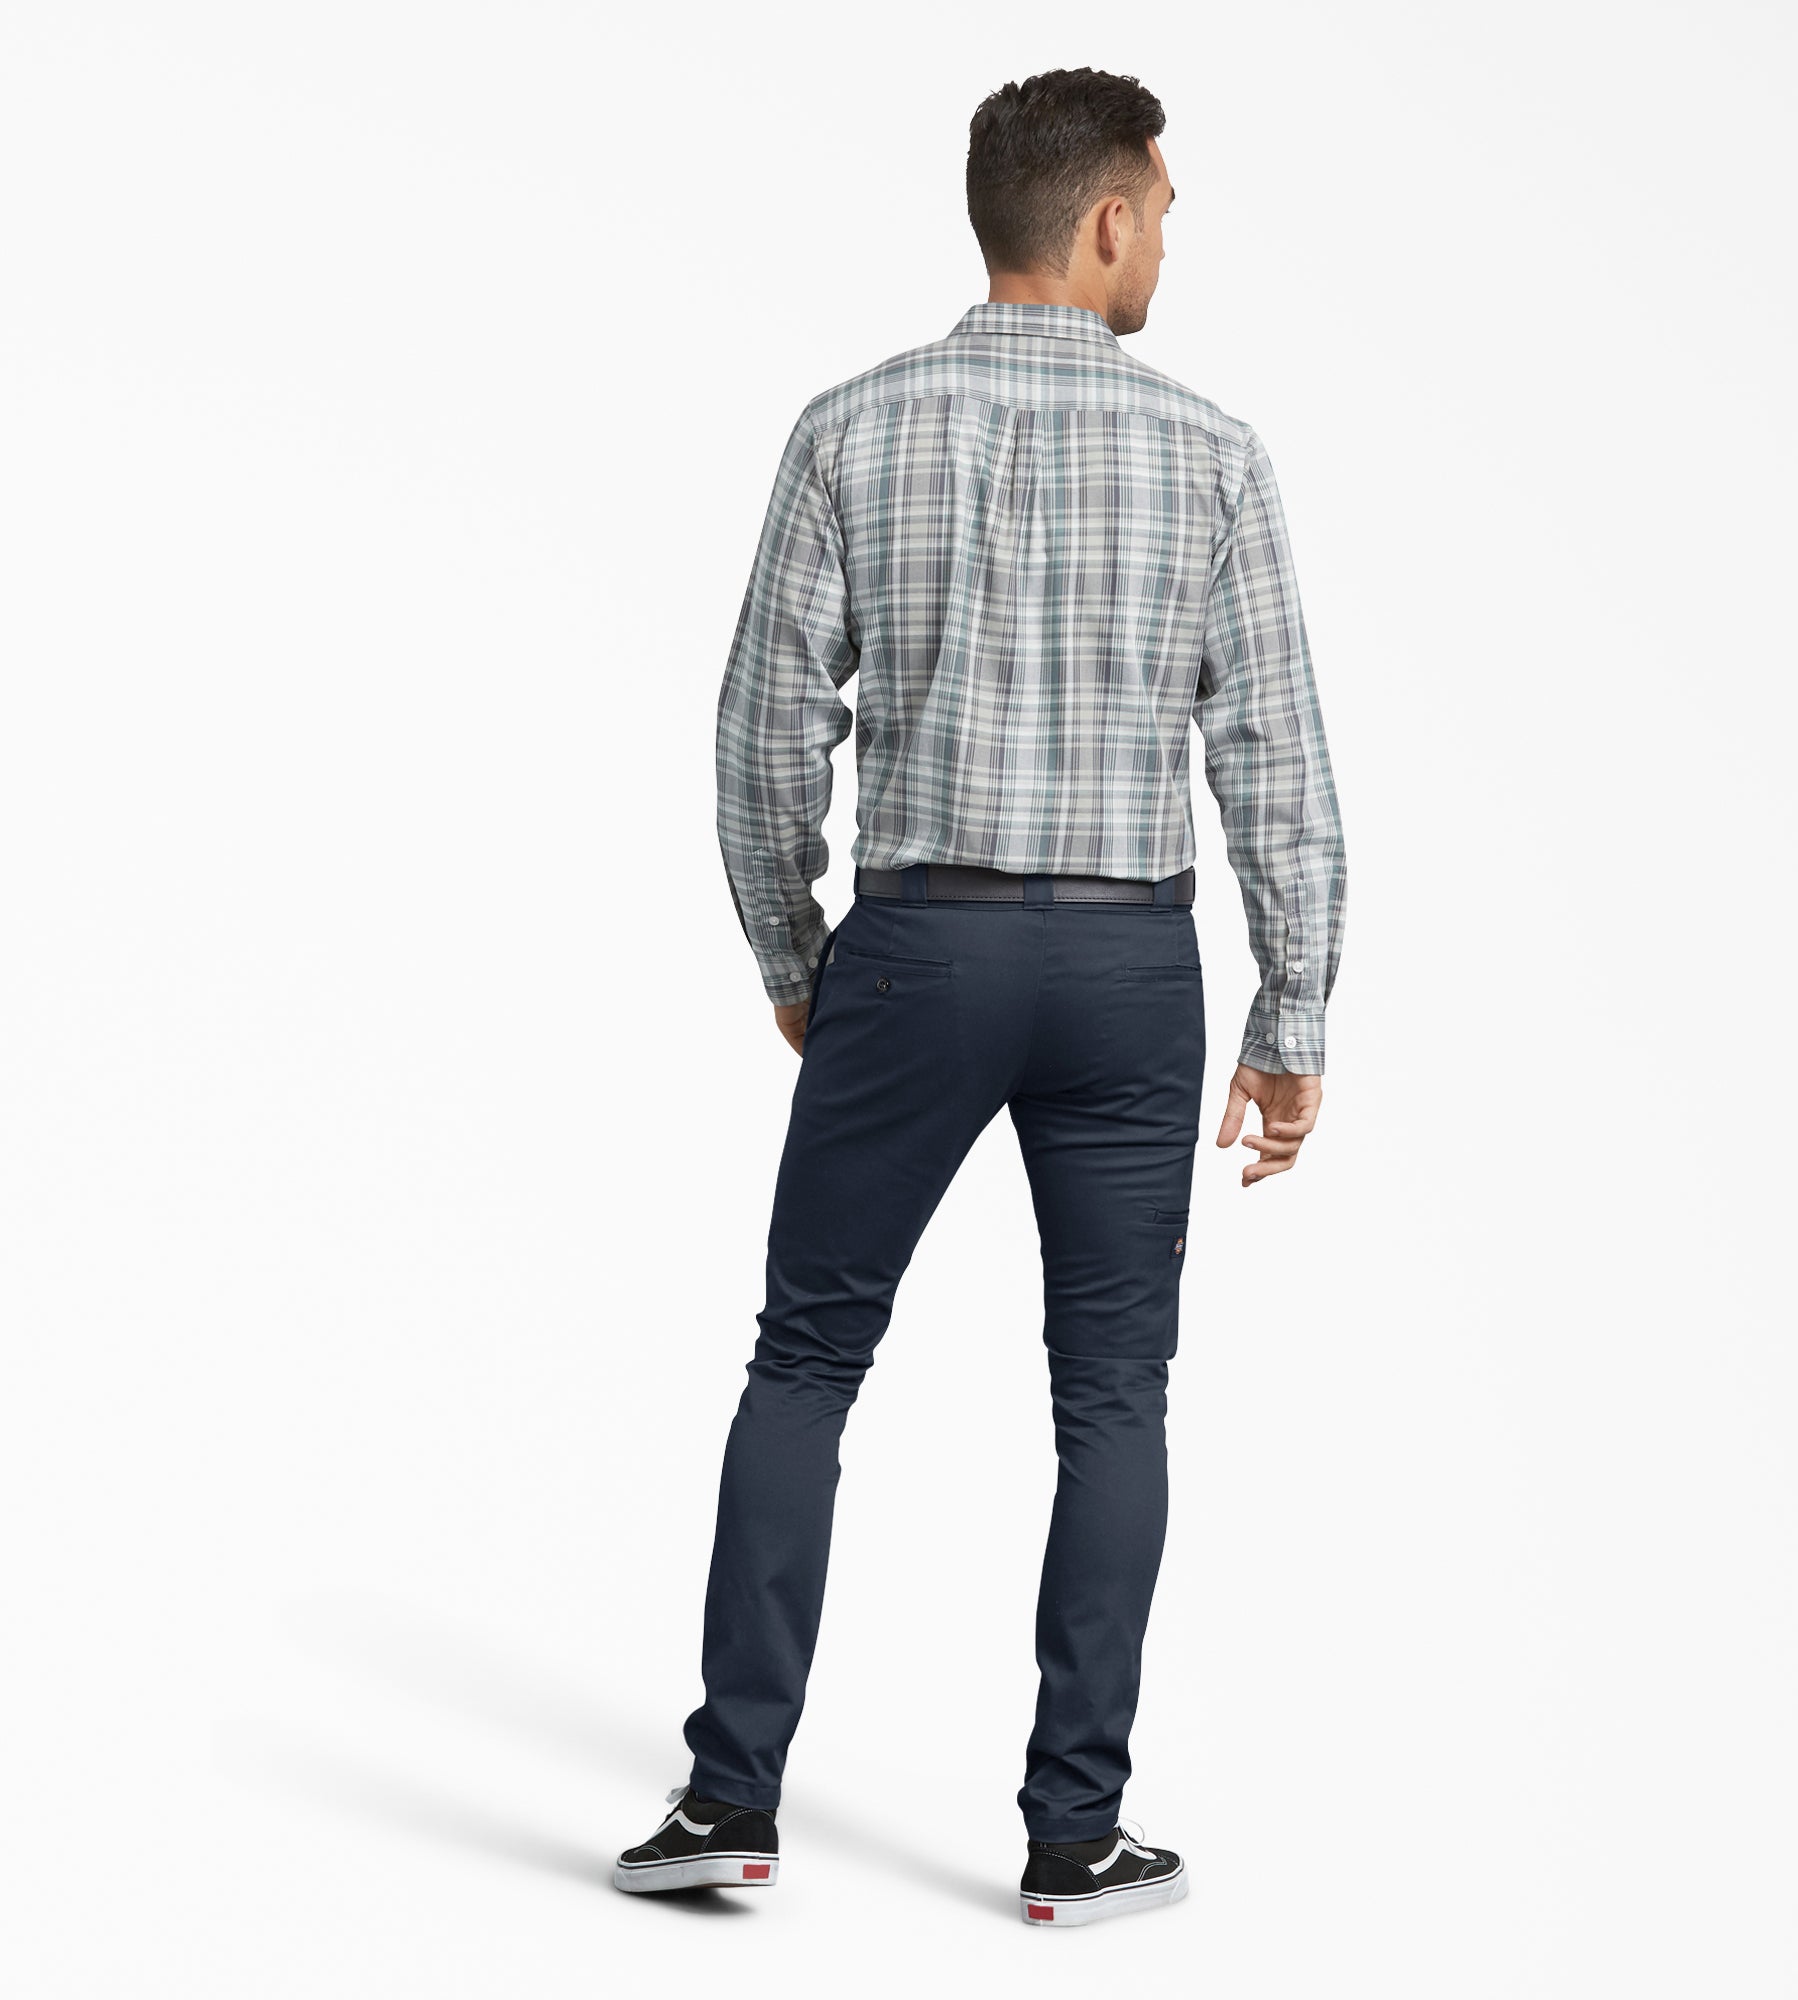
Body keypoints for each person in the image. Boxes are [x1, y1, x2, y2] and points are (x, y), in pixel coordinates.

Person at [613, 66, 1346, 1927]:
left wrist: (800, 960)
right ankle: (1073, 1836)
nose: (1167, 242)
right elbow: (1278, 761)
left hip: (920, 952)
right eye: (1160, 212)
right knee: (1113, 1394)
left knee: (806, 1361)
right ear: (1101, 221)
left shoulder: (850, 428)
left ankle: (730, 1799)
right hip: (1127, 967)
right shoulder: (1214, 454)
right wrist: (1293, 1017)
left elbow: (757, 737)